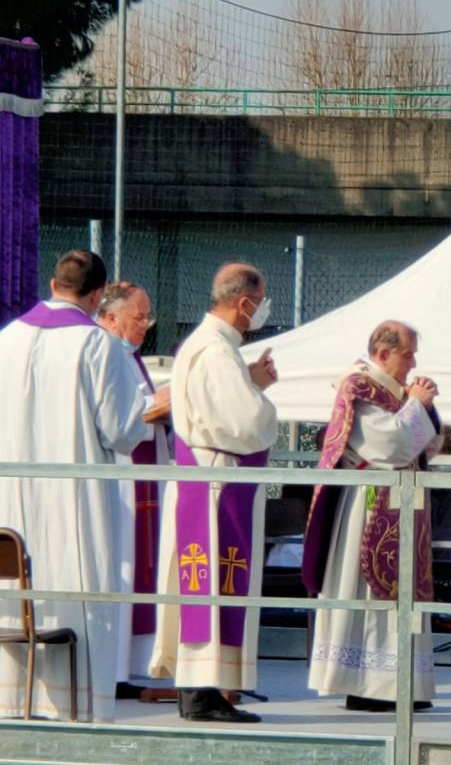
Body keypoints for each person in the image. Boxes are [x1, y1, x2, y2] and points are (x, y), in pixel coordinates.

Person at [0, 250, 149, 721]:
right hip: (76, 501)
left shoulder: (8, 339)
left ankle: (11, 700)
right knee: (82, 592)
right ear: (97, 295)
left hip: (13, 500)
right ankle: (78, 706)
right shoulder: (98, 345)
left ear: (53, 282)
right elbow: (121, 430)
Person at [149, 263, 278, 723]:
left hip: (204, 479)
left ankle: (203, 691)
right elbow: (245, 424)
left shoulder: (205, 344)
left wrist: (250, 385)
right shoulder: (218, 353)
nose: (262, 311)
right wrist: (264, 398)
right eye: (260, 302)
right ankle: (203, 693)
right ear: (244, 303)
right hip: (218, 484)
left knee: (206, 588)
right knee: (214, 587)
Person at [304, 320, 443, 712]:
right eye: (408, 354)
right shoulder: (358, 387)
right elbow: (391, 445)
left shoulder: (393, 390)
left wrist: (422, 406)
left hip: (404, 503)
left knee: (404, 594)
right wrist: (418, 404)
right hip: (369, 506)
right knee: (368, 592)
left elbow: (427, 446)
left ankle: (402, 681)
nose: (414, 363)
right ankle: (366, 685)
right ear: (382, 354)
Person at [96, 282, 171, 694]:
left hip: (143, 478)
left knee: (143, 565)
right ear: (110, 317)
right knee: (127, 565)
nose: (145, 324)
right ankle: (118, 665)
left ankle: (133, 662)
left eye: (148, 317)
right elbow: (114, 421)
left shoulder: (129, 356)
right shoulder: (105, 355)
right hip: (122, 482)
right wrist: (158, 406)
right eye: (137, 316)